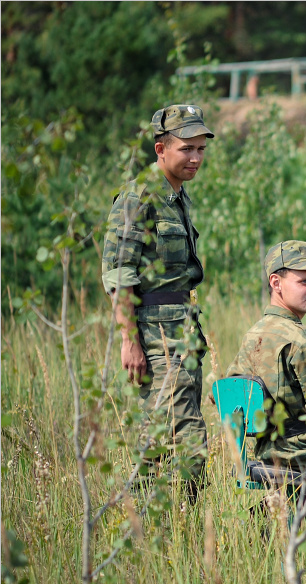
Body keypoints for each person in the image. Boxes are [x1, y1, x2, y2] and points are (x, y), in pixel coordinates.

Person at [101, 104, 214, 489]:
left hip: (183, 331)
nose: (195, 158)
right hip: (156, 336)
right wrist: (129, 340)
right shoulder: (139, 198)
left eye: (200, 149)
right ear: (160, 149)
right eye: (186, 149)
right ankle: (181, 519)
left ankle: (146, 529)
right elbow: (119, 275)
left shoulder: (177, 197)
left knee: (159, 439)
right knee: (189, 439)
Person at [225, 240, 306, 473]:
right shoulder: (302, 340)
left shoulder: (253, 334)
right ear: (276, 283)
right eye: (305, 281)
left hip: (269, 453)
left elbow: (226, 394)